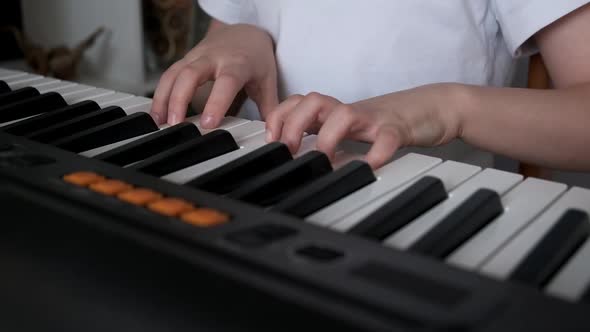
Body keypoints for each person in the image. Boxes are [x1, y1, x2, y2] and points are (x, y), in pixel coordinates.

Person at [150, 0, 590, 172]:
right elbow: (210, 93)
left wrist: (449, 107)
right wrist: (241, 38)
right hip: (253, 192)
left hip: (423, 219)